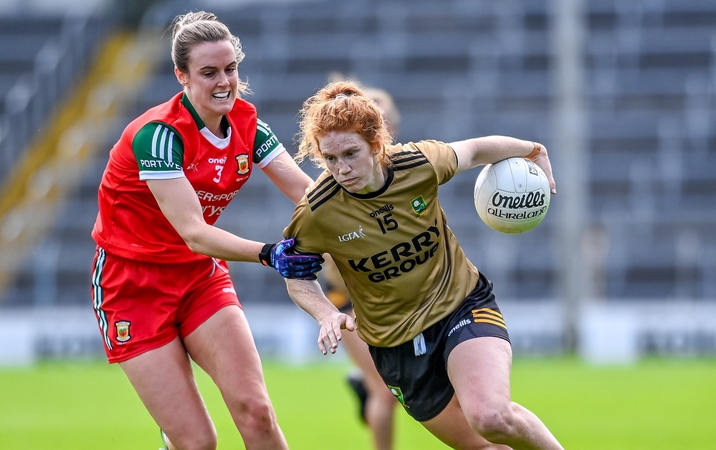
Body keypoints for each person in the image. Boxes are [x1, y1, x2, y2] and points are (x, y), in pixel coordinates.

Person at [281, 80, 563, 449]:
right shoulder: (318, 211)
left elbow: (478, 150)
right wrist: (324, 314)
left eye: (351, 153)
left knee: (491, 416)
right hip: (395, 347)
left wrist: (533, 150)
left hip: (461, 306)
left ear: (377, 144)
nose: (341, 169)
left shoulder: (418, 163)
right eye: (330, 159)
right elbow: (295, 275)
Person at [89, 12, 322, 450]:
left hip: (198, 278)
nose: (224, 82)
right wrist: (271, 253)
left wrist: (373, 216)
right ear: (182, 76)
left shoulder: (250, 127)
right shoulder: (157, 136)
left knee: (257, 413)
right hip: (132, 287)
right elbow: (193, 231)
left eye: (231, 69)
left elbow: (310, 195)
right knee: (197, 442)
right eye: (209, 72)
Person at [321, 76, 400, 450]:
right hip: (351, 299)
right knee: (384, 393)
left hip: (396, 300)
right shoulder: (336, 187)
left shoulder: (406, 176)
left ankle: (364, 387)